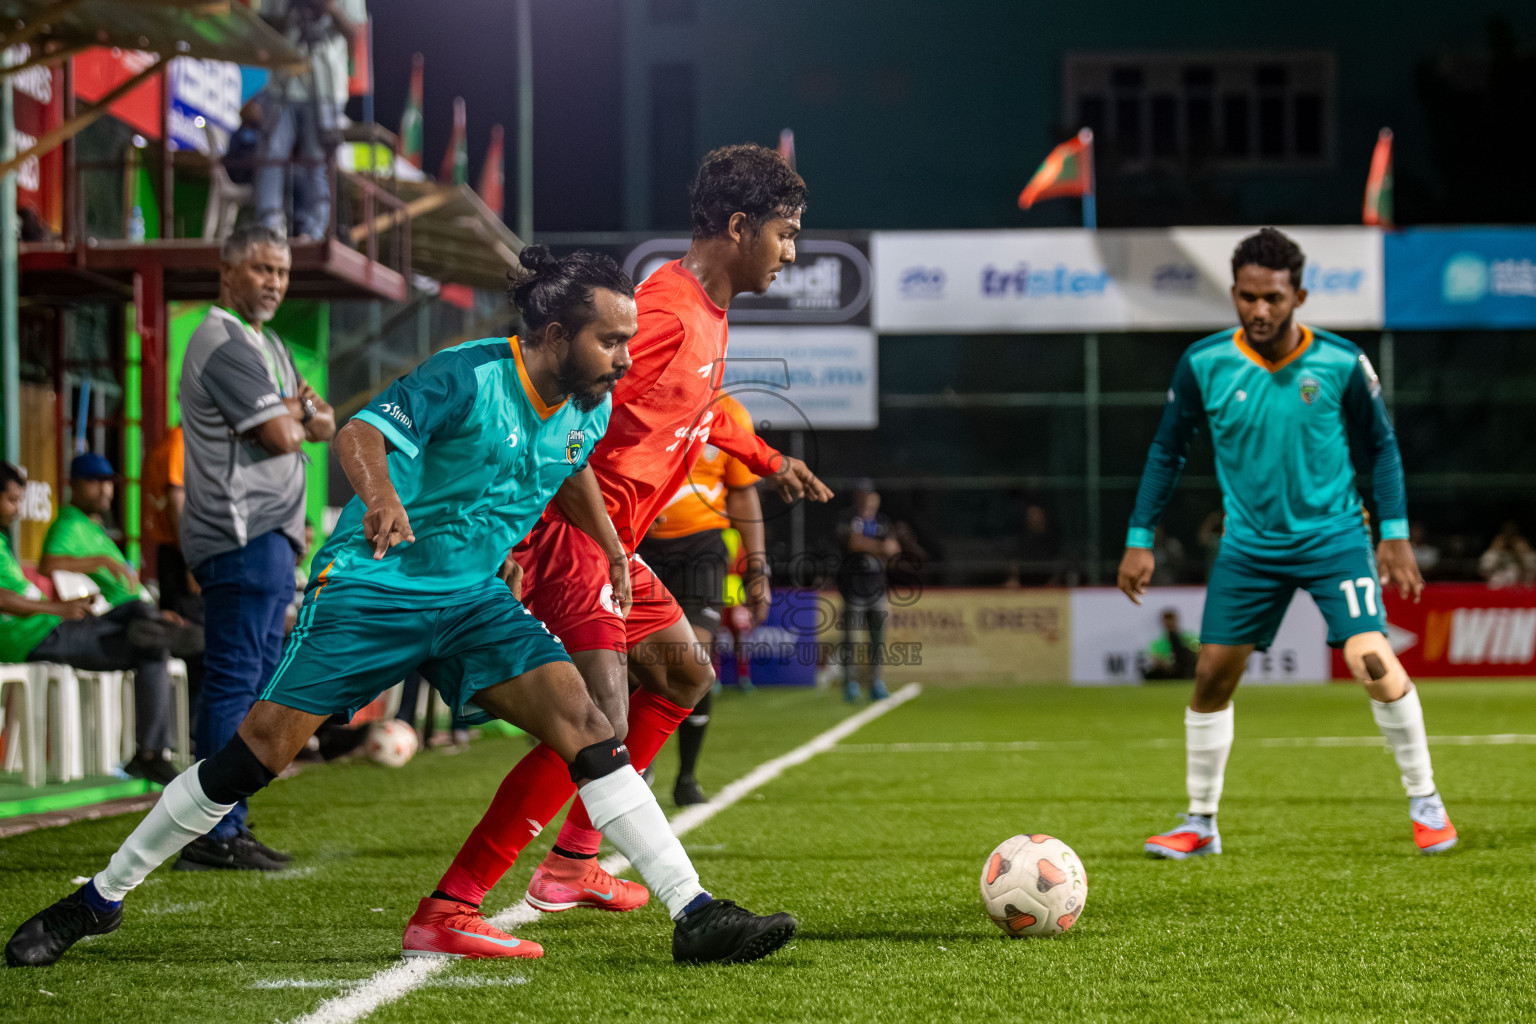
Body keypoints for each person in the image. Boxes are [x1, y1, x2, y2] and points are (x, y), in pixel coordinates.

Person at [5, 247, 797, 970]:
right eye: (612, 341)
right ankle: (99, 898)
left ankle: (693, 910)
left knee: (591, 726)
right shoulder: (468, 374)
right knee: (256, 756)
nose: (627, 359)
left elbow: (571, 466)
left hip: (473, 601)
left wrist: (616, 548)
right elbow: (359, 434)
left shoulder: (587, 401)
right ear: (556, 335)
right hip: (373, 591)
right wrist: (381, 497)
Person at [417, 144, 829, 951]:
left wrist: (772, 461)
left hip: (613, 542)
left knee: (683, 672)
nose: (791, 253)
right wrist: (514, 526)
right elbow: (562, 409)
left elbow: (699, 417)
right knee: (596, 719)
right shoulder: (666, 311)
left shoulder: (706, 312)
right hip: (574, 533)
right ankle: (452, 906)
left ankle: (573, 860)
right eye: (784, 234)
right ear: (739, 227)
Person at [1118, 227, 1454, 859]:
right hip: (1249, 547)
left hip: (1334, 538)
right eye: (1247, 297)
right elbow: (1167, 449)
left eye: (1272, 298)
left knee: (1371, 661)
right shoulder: (1204, 363)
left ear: (1299, 294)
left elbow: (1381, 448)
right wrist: (1140, 537)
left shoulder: (1340, 362)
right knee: (1212, 675)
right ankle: (1200, 822)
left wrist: (1395, 534)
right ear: (1235, 294)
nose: (1259, 310)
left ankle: (1426, 801)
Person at [177, 225, 336, 870]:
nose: (273, 282)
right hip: (239, 535)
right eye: (262, 269)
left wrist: (300, 418)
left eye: (281, 272)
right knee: (236, 681)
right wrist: (297, 419)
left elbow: (321, 422)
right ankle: (210, 833)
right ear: (228, 271)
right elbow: (281, 434)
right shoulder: (222, 341)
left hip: (268, 538)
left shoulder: (266, 342)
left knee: (254, 682)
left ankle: (223, 825)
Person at [0, 462, 196, 786]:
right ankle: (150, 752)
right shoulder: (66, 524)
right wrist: (57, 607)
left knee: (138, 613)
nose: (19, 510)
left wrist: (62, 608)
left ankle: (164, 630)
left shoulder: (4, 538)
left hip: (52, 625)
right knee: (151, 644)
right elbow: (5, 598)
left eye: (21, 500)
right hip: (34, 636)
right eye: (12, 500)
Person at [638, 393, 770, 806]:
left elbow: (744, 494)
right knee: (632, 660)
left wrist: (757, 569)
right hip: (639, 544)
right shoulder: (640, 400)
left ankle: (687, 776)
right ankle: (639, 760)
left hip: (703, 548)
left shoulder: (729, 413)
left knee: (692, 656)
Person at [254, 0, 363, 240]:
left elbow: (356, 31)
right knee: (271, 154)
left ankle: (313, 231)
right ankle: (268, 227)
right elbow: (263, 23)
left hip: (326, 87)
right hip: (283, 82)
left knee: (317, 160)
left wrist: (328, 7)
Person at [837, 480, 897, 703]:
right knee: (852, 641)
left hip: (877, 589)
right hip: (854, 589)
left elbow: (894, 547)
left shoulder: (883, 521)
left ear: (876, 499)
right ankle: (851, 684)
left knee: (877, 641)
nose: (866, 500)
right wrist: (880, 547)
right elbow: (854, 543)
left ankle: (875, 683)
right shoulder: (849, 518)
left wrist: (875, 547)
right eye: (862, 495)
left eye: (870, 495)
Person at [1140, 609, 1199, 681]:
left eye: (1171, 620)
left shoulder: (1188, 637)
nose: (1169, 623)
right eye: (1167, 621)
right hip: (1168, 671)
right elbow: (1155, 660)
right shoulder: (1157, 642)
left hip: (1184, 669)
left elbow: (1194, 654)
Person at [1477, 521, 1536, 589]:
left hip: (1521, 581)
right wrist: (1494, 550)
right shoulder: (1498, 546)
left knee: (1513, 571)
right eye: (1507, 534)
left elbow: (1532, 569)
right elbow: (1484, 569)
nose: (1509, 538)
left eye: (1512, 534)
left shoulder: (1521, 546)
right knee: (1498, 578)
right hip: (1499, 579)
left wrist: (1523, 552)